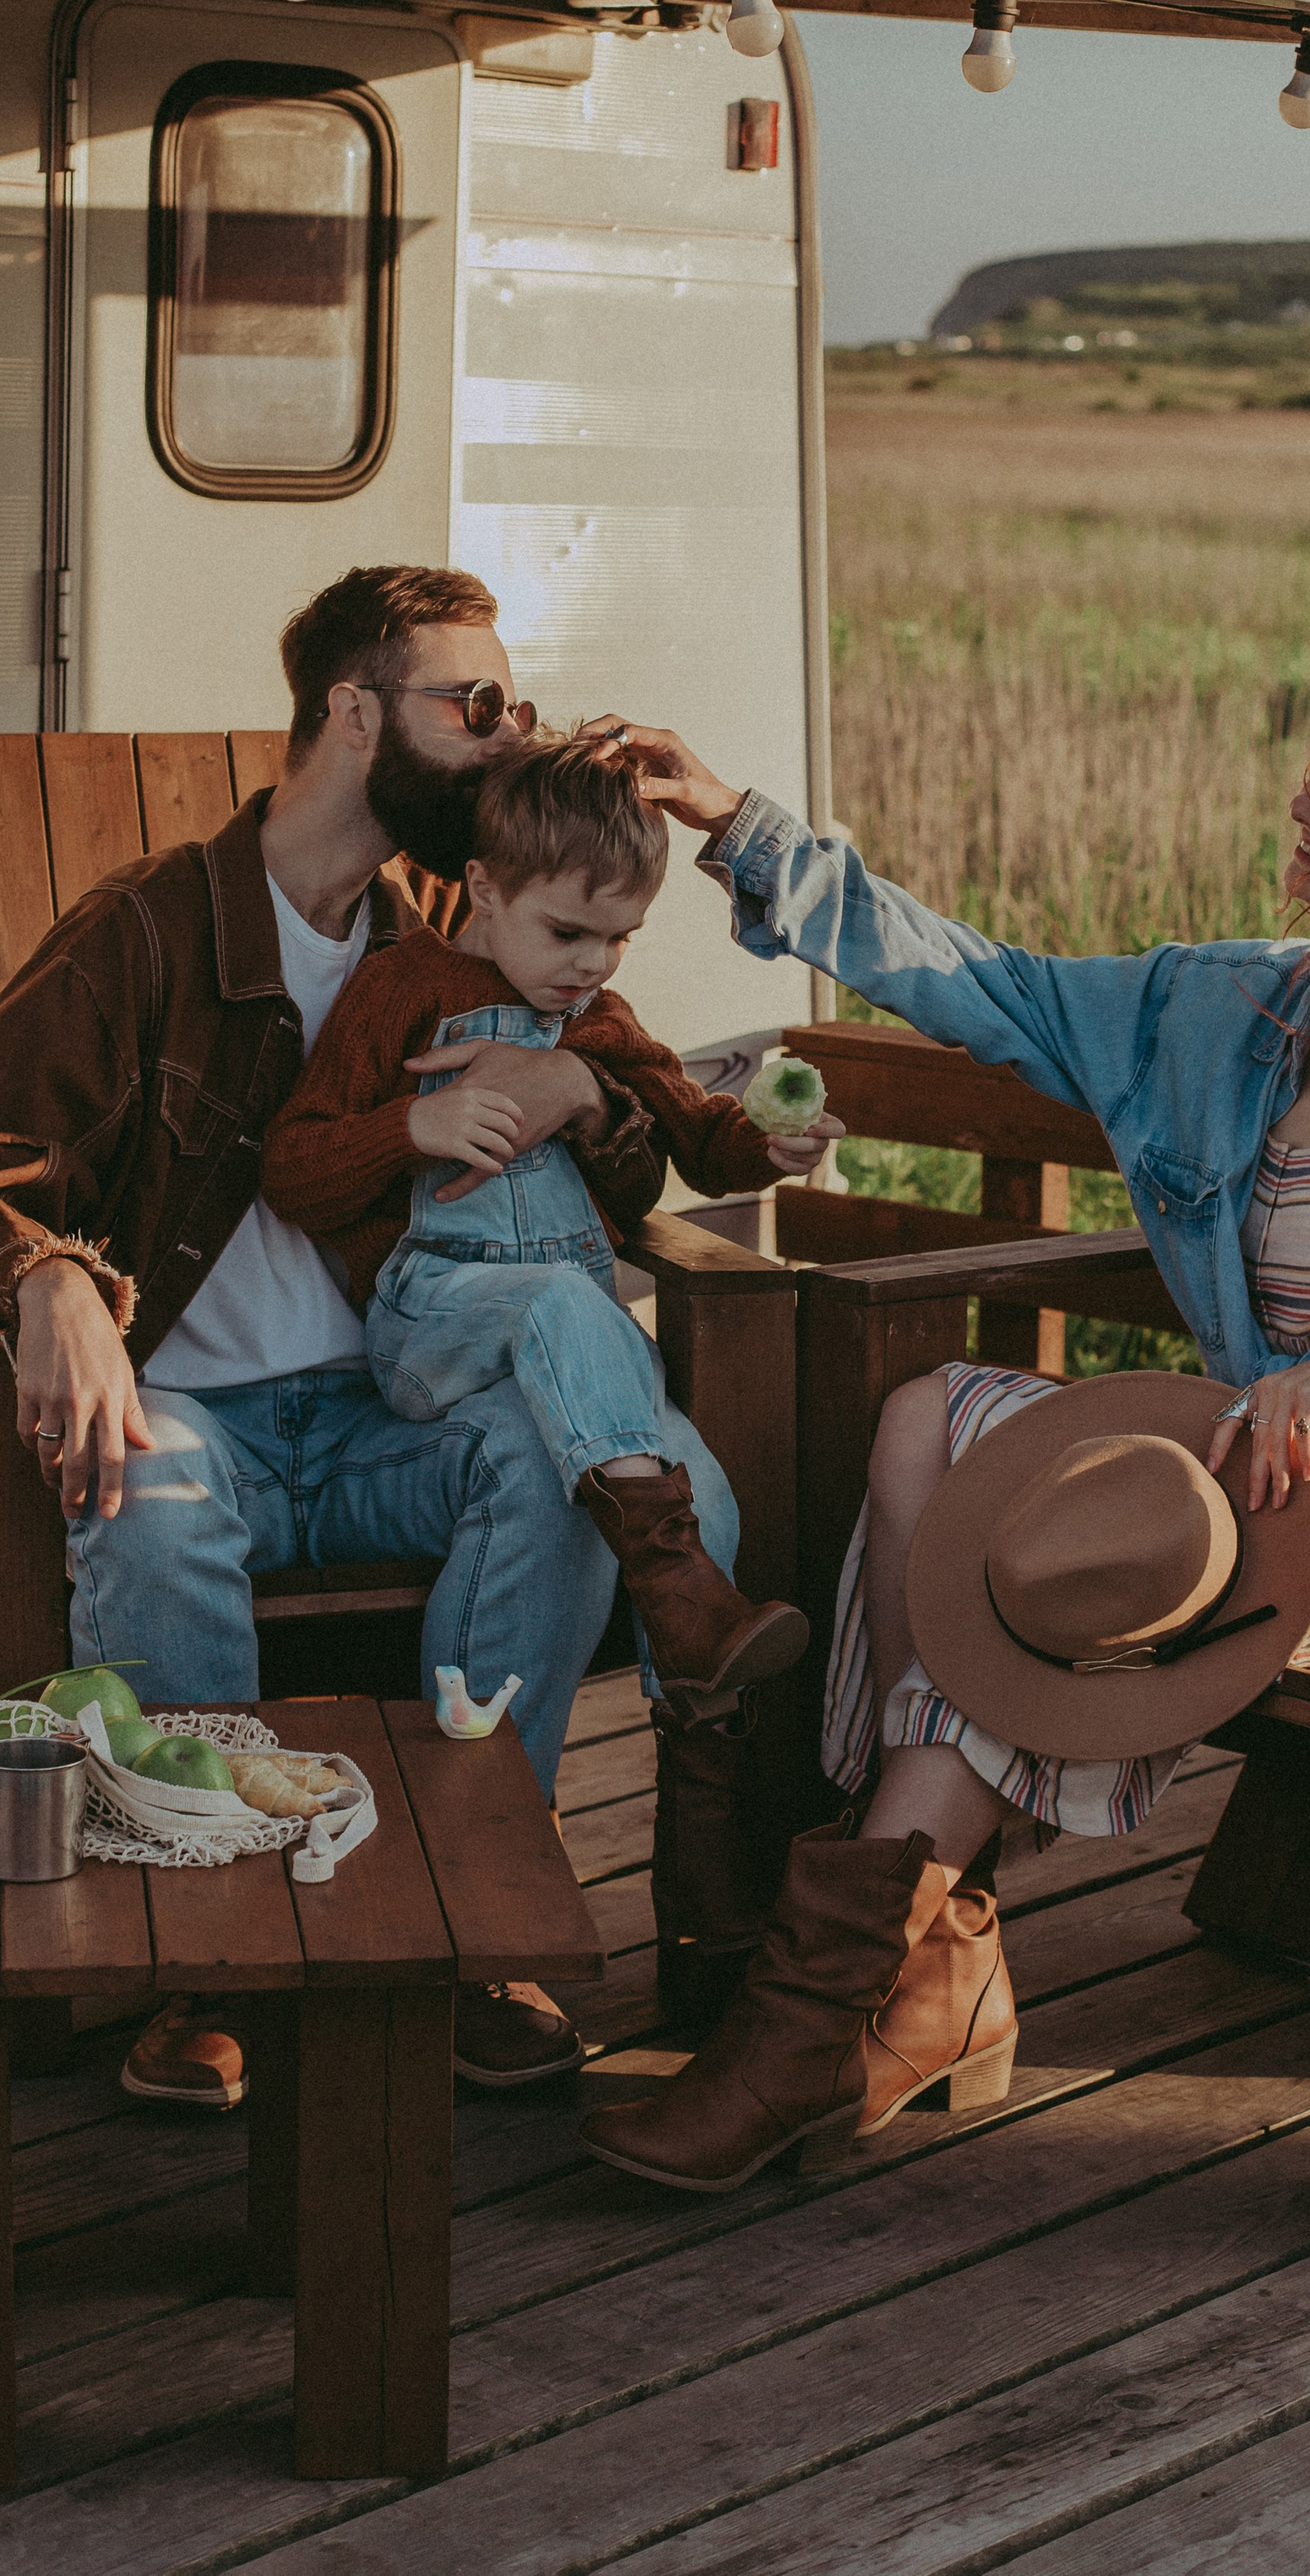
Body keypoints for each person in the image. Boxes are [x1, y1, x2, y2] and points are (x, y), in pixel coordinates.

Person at [573, 667, 1310, 2190]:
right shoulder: (1231, 1008)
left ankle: (812, 2021)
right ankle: (928, 1951)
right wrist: (735, 824)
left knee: (1072, 1581)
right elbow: (986, 984)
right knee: (932, 1426)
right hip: (1255, 1483)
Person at [0, 564, 669, 2104]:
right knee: (150, 1495)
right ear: (355, 714)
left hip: (389, 1409)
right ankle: (213, 1949)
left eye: (518, 705)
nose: (510, 737)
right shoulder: (154, 931)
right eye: (476, 704)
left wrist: (590, 1094)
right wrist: (44, 1279)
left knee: (550, 1463)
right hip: (195, 1412)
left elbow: (631, 1133)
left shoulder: (463, 931)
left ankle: (470, 1916)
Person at [263, 738, 840, 1931]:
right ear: (482, 888)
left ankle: (702, 1835)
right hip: (435, 1319)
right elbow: (295, 1168)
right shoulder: (399, 992)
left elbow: (698, 1135)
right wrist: (412, 1127)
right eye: (568, 932)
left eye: (620, 939)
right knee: (564, 1304)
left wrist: (768, 1147)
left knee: (708, 1499)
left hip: (562, 1368)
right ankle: (672, 1588)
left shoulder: (601, 1023)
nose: (591, 965)